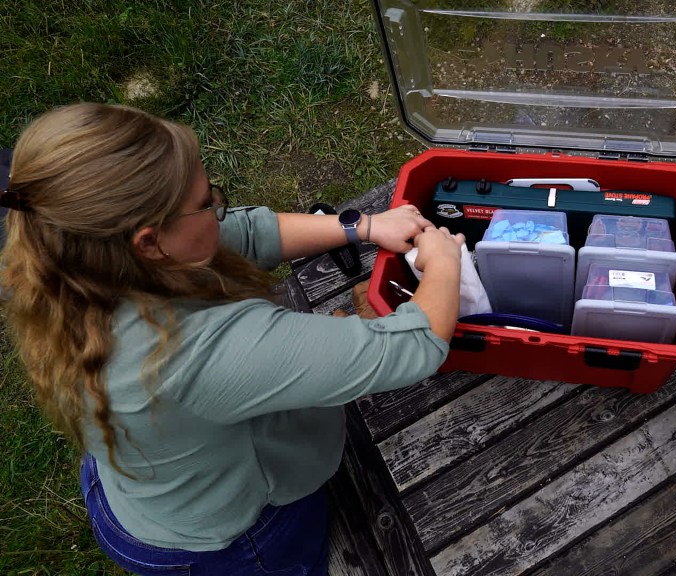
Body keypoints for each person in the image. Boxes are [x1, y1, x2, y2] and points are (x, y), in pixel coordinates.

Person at [0, 103, 464, 575]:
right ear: (148, 242)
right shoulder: (192, 352)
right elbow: (411, 346)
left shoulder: (71, 264)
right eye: (207, 202)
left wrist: (359, 227)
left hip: (139, 487)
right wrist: (446, 260)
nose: (220, 209)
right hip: (235, 538)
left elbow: (240, 233)